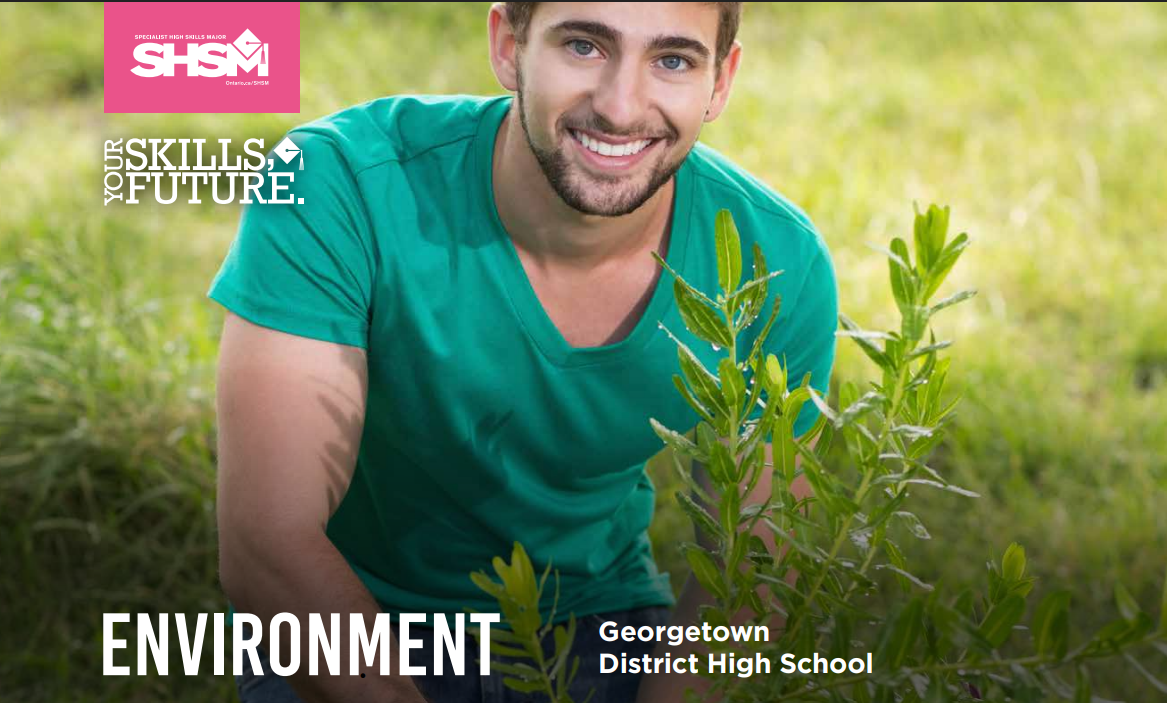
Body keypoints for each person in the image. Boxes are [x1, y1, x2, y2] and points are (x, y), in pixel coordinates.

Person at [209, 2, 837, 702]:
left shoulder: (773, 261)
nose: (621, 106)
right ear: (508, 45)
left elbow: (751, 575)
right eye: (582, 46)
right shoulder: (337, 182)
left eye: (672, 61)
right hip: (357, 613)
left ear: (719, 81)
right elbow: (268, 544)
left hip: (596, 620)